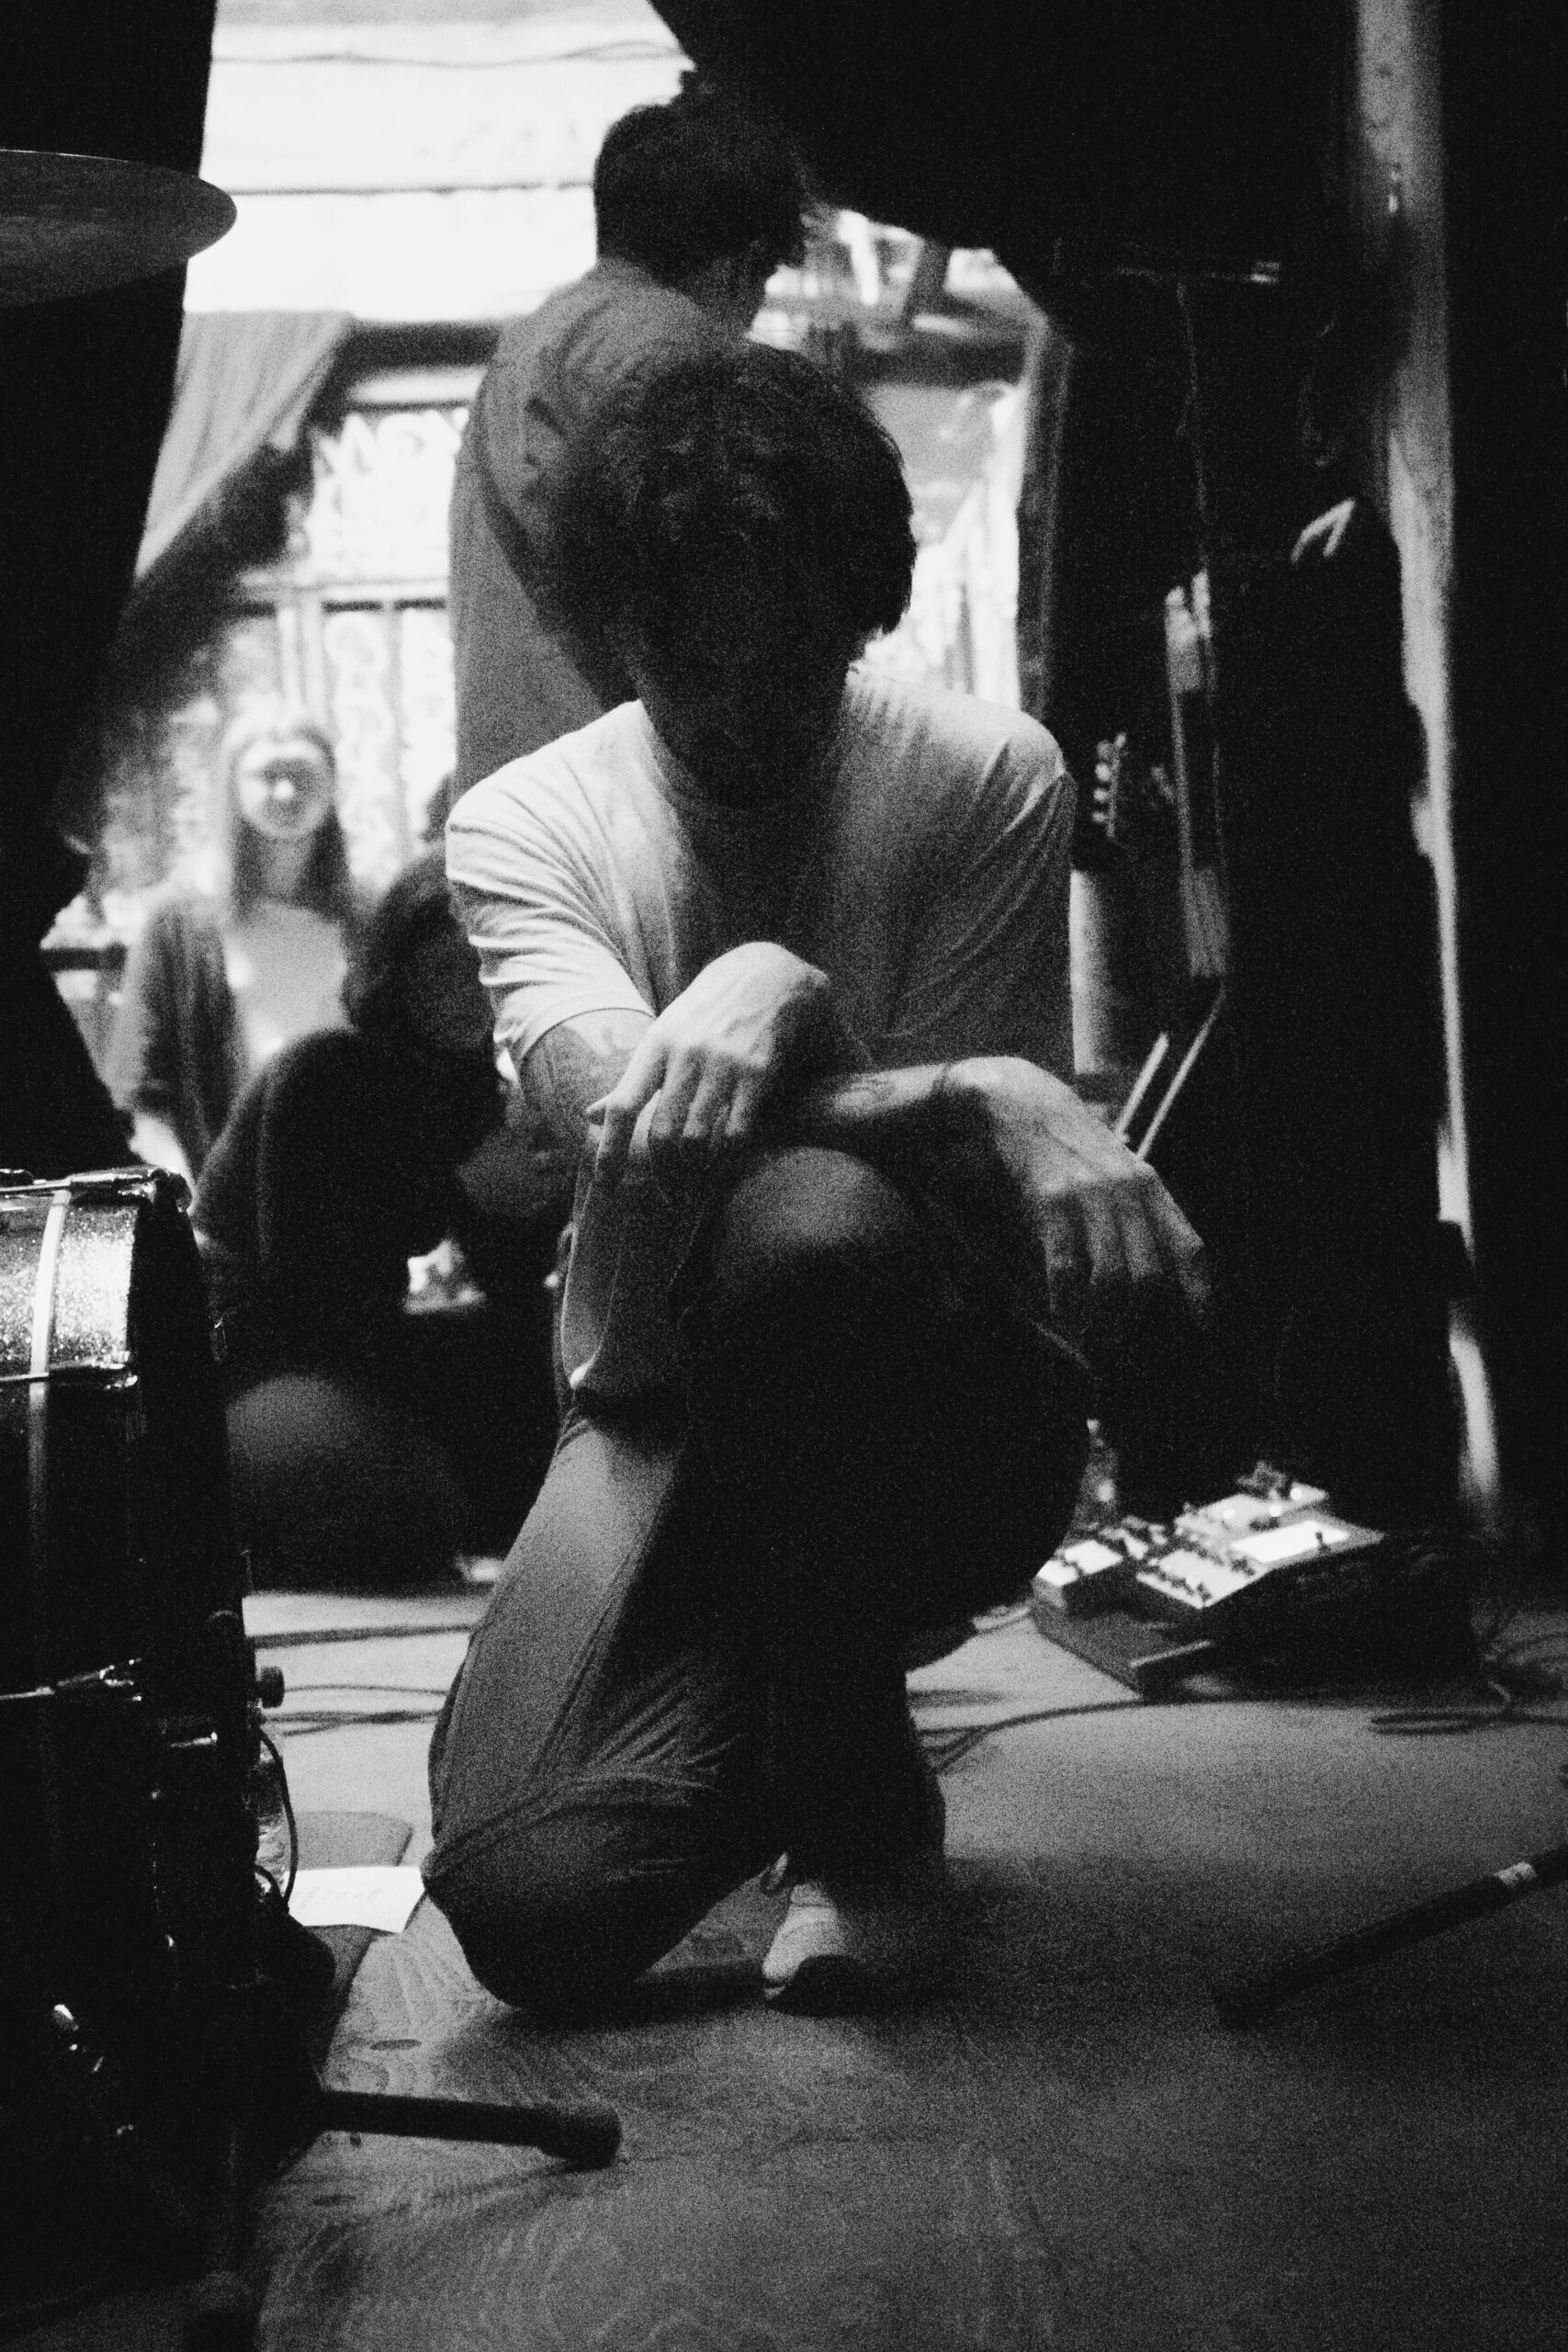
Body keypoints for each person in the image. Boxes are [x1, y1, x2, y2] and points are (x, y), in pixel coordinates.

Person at [424, 345, 1206, 2018]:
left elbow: (926, 1213)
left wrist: (826, 1040)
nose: (736, 709)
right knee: (530, 1907)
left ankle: (863, 1821)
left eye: (783, 655)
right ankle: (792, 1707)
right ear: (609, 636)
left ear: (856, 616)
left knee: (810, 1230)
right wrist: (824, 1005)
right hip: (656, 1407)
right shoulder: (522, 825)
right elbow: (626, 1124)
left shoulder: (985, 774)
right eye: (681, 660)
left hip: (940, 1400)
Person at [192, 853, 563, 1587]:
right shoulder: (326, 1070)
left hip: (350, 1352)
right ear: (397, 976)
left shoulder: (471, 1089)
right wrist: (462, 1191)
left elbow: (510, 1295)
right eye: (444, 972)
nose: (468, 994)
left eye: (484, 970)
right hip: (246, 1363)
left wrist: (537, 1203)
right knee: (407, 1506)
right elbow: (311, 1296)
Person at [447, 77, 807, 792]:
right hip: (621, 801)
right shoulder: (668, 342)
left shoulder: (534, 341)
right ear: (744, 262)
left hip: (519, 791)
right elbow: (712, 591)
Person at [107, 697, 366, 1185]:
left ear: (332, 784)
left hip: (350, 1192)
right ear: (233, 787)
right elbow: (143, 1093)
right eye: (268, 775)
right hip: (227, 1200)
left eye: (303, 774)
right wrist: (189, 1204)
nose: (287, 791)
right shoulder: (178, 924)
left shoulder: (367, 917)